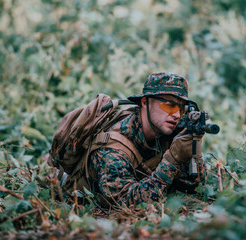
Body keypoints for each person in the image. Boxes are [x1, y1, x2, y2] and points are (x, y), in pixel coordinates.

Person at [86, 72, 205, 207]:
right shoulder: (113, 149)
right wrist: (173, 159)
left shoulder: (166, 133)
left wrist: (194, 150)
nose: (177, 115)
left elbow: (196, 188)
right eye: (169, 105)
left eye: (181, 109)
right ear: (145, 102)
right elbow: (126, 202)